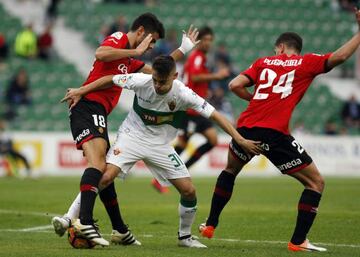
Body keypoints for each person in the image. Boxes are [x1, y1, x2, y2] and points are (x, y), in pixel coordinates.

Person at [199, 7, 360, 253]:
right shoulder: (305, 62)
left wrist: (255, 99)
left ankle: (210, 225)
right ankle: (298, 241)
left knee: (230, 170)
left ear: (281, 47)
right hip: (275, 134)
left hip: (245, 129)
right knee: (315, 183)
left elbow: (234, 84)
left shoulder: (263, 62)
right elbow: (338, 58)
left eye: (277, 50)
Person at [60, 55, 262, 248]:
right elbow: (109, 78)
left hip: (160, 145)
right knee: (104, 178)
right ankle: (70, 218)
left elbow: (215, 115)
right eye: (155, 80)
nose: (157, 85)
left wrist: (240, 139)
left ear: (174, 77)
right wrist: (82, 90)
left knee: (189, 191)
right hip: (132, 137)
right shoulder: (141, 80)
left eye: (162, 82)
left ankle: (184, 237)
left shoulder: (184, 93)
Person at [51, 12, 200, 247]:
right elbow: (100, 53)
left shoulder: (130, 62)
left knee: (105, 174)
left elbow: (160, 71)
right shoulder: (120, 38)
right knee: (98, 166)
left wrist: (184, 49)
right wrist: (136, 51)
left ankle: (119, 230)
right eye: (151, 42)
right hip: (88, 107)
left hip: (97, 112)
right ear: (141, 32)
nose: (152, 47)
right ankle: (82, 221)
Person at [152, 26, 230, 193]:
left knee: (208, 141)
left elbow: (195, 79)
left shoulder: (200, 57)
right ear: (200, 41)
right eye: (206, 40)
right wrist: (216, 76)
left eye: (210, 40)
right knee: (186, 143)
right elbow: (194, 77)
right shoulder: (197, 57)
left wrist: (207, 89)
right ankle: (166, 176)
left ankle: (175, 173)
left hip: (196, 109)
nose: (208, 43)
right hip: (191, 110)